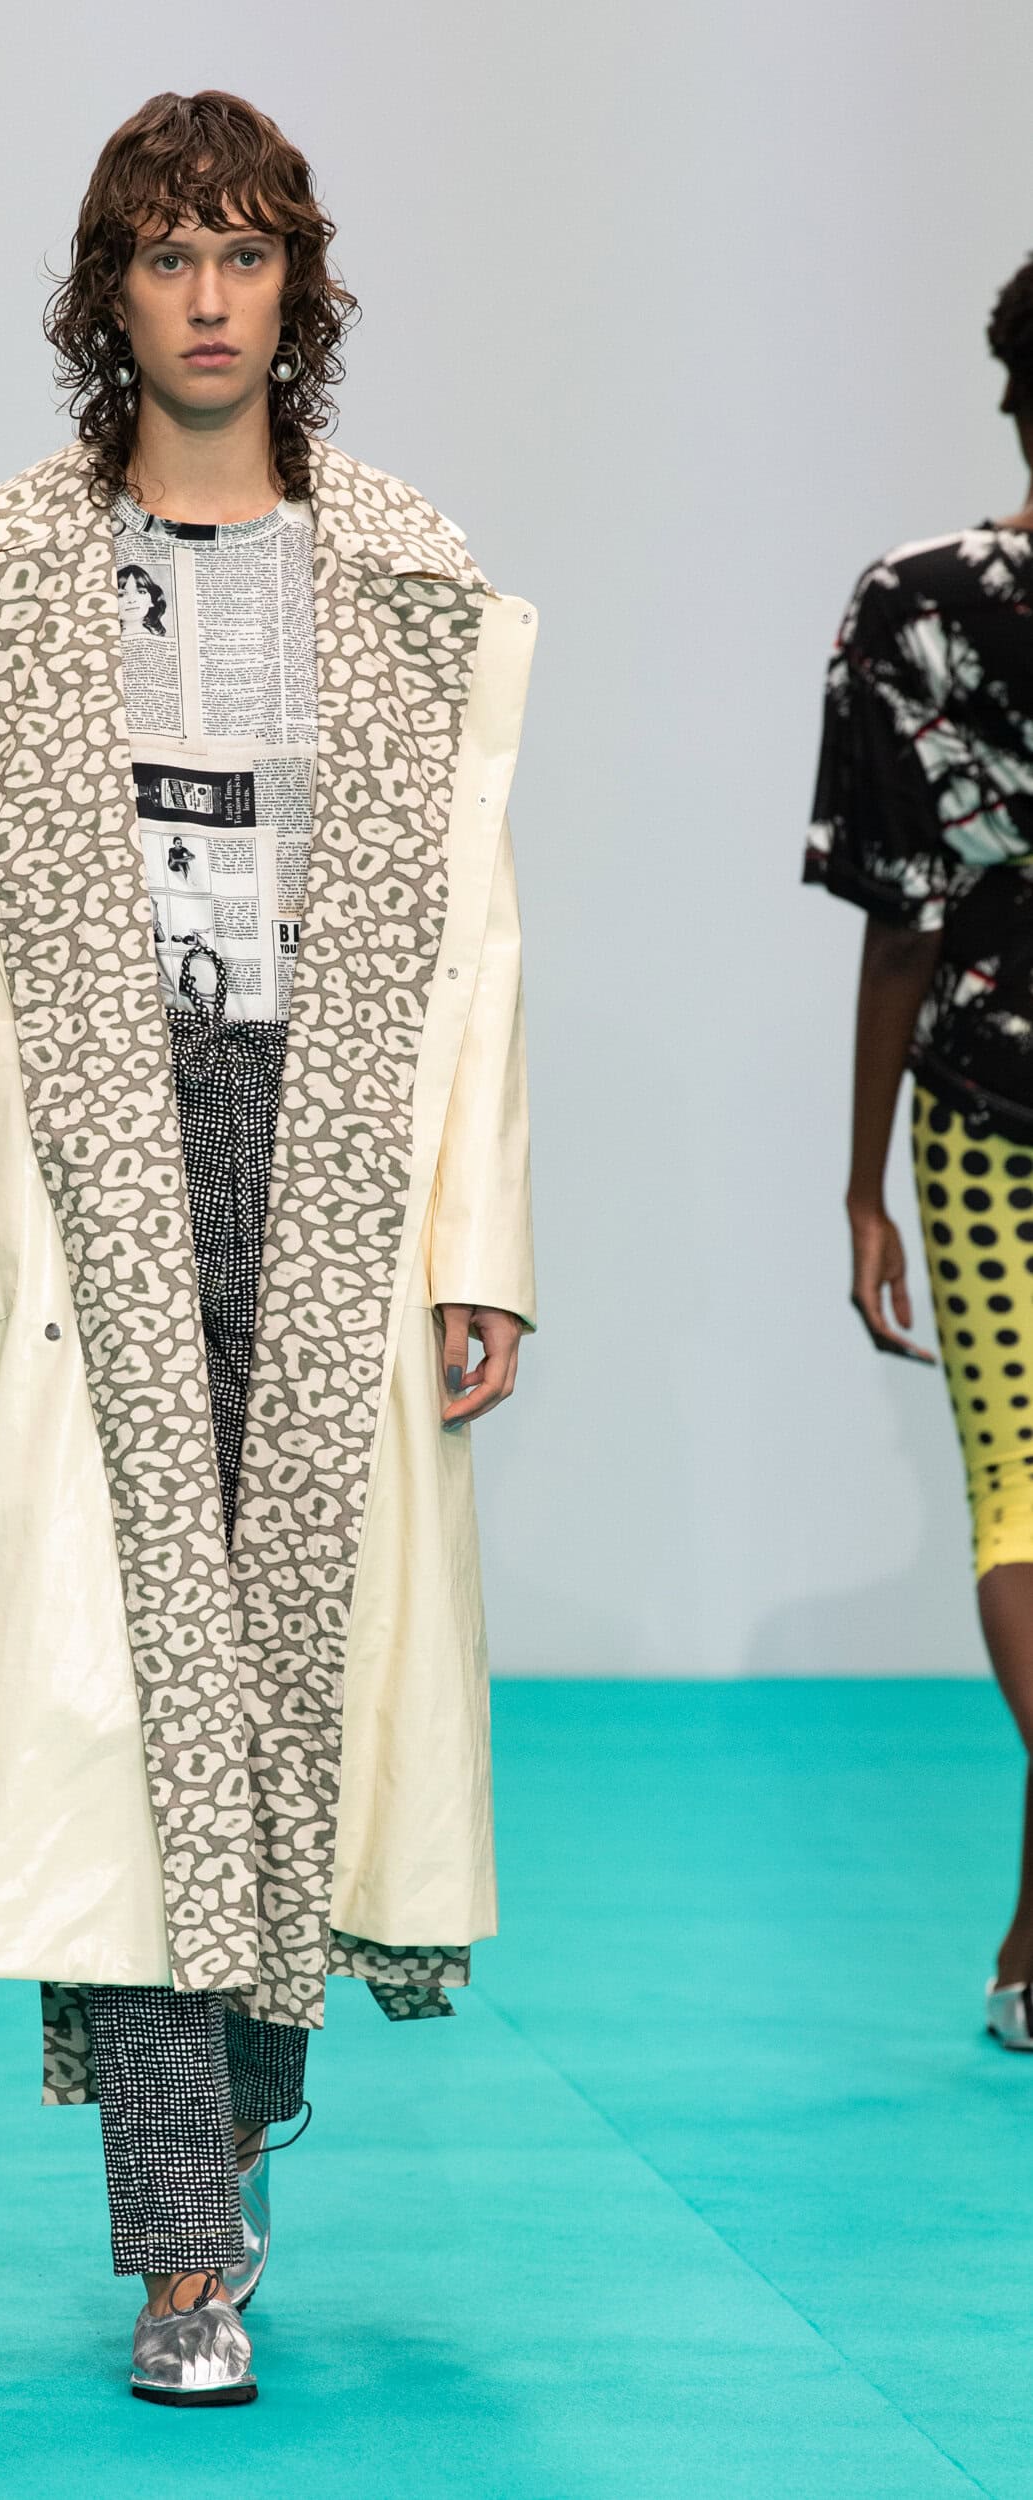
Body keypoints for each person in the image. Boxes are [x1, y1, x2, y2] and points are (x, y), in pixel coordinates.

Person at [0, 90, 538, 2403]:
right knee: (126, 1683)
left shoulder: (406, 567)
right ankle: (178, 2249)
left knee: (295, 1670)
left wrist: (481, 1237)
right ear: (112, 293)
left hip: (334, 1131)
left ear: (298, 286)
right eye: (170, 255)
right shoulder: (1, 568)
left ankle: (235, 2132)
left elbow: (476, 942)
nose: (212, 297)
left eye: (247, 253)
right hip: (86, 1153)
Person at [806, 251, 1033, 2052]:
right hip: (985, 1107)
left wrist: (861, 1180)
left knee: (1024, 1499)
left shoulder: (921, 606)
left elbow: (903, 915)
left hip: (985, 1109)